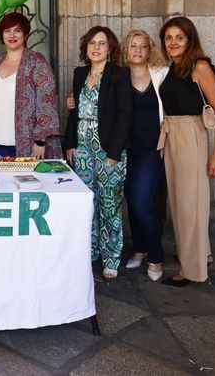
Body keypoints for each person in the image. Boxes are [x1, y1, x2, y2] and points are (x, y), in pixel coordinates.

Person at [157, 16, 215, 287]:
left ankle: (192, 269)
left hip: (190, 135)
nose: (173, 42)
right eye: (168, 38)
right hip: (172, 135)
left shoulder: (199, 66)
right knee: (182, 200)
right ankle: (201, 252)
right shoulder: (172, 68)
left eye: (179, 37)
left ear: (190, 40)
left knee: (189, 202)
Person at [63, 26, 131, 280]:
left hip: (108, 149)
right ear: (86, 47)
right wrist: (69, 143)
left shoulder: (119, 75)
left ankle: (111, 257)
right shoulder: (80, 73)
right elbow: (74, 112)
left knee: (110, 204)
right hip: (81, 148)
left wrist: (114, 152)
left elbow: (125, 115)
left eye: (102, 43)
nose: (96, 47)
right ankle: (89, 252)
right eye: (92, 42)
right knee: (86, 203)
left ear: (110, 48)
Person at [0, 12, 61, 160]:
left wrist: (40, 142)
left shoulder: (36, 62)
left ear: (25, 35)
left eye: (17, 30)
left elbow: (46, 101)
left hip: (26, 146)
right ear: (2, 35)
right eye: (7, 30)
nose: (12, 35)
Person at [120, 30, 169, 281]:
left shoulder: (161, 75)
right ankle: (139, 249)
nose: (138, 50)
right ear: (125, 51)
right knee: (131, 199)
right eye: (133, 46)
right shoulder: (118, 77)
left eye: (143, 46)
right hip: (124, 149)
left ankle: (155, 256)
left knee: (142, 202)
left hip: (151, 149)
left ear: (150, 51)